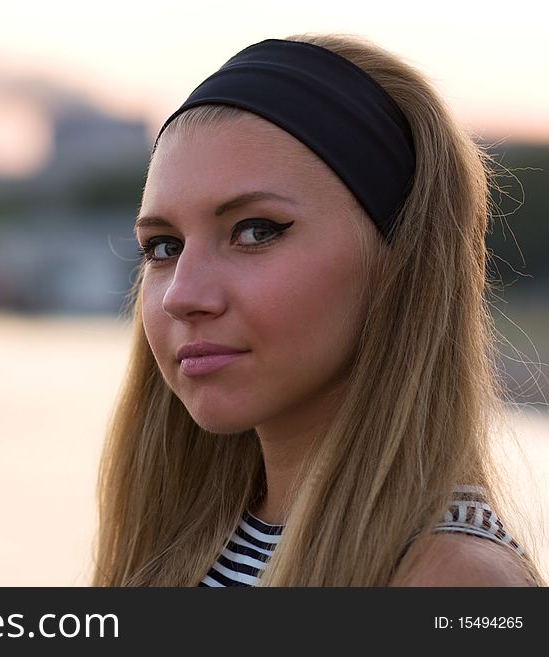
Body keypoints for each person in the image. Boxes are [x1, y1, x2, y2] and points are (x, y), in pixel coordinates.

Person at [91, 33, 545, 586]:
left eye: (255, 231)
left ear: (401, 258)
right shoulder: (180, 542)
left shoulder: (452, 581)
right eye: (164, 246)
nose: (181, 295)